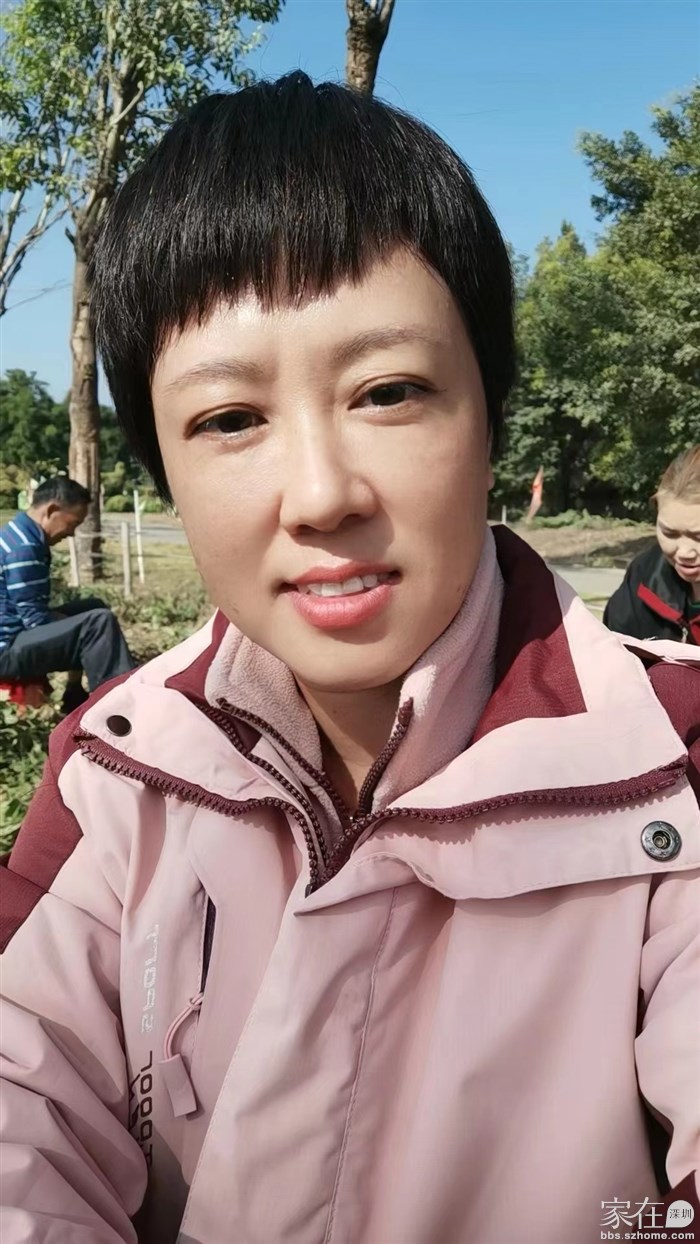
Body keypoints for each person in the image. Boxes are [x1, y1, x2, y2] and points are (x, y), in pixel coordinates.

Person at [1, 75, 698, 1244]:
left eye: (388, 392)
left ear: (490, 418)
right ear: (163, 471)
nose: (321, 494)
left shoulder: (667, 759)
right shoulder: (114, 774)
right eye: (230, 419)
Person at [0, 475, 135, 710]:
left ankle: (74, 694)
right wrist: (67, 620)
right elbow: (35, 621)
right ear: (52, 510)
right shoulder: (24, 548)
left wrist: (67, 619)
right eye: (73, 523)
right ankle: (117, 709)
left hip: (14, 635)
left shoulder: (20, 533)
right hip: (6, 650)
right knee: (98, 623)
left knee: (93, 607)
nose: (72, 533)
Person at [605, 446, 700, 645]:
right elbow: (611, 649)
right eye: (669, 533)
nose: (685, 552)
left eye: (698, 537)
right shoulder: (643, 575)